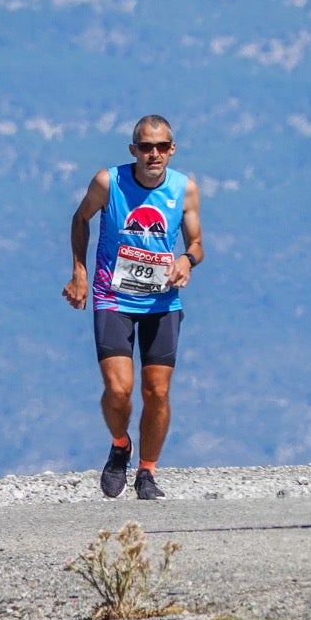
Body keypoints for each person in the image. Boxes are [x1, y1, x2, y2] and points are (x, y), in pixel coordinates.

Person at [63, 115, 203, 500]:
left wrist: (186, 260)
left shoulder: (185, 189)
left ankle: (147, 472)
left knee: (157, 392)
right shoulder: (108, 183)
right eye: (145, 147)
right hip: (114, 297)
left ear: (172, 149)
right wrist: (79, 272)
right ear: (133, 150)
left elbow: (196, 243)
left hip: (162, 301)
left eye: (161, 147)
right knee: (119, 388)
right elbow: (80, 218)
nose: (153, 154)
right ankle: (120, 444)